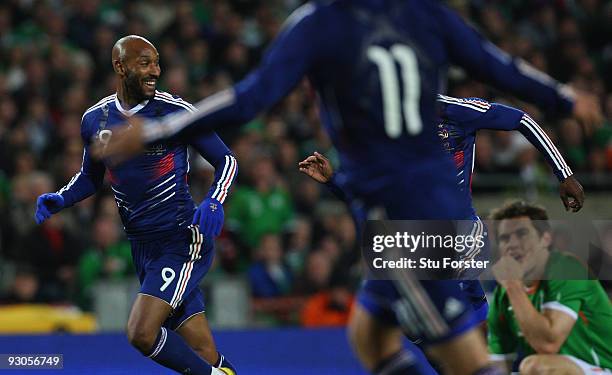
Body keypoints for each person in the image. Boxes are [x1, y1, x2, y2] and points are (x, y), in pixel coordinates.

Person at [95, 2, 602, 374]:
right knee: (370, 334)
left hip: (408, 226)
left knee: (459, 359)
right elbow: (498, 65)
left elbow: (249, 99)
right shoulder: (424, 13)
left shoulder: (321, 23)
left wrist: (159, 132)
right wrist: (562, 99)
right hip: (418, 210)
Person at [34, 35, 237, 375]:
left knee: (141, 333)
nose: (155, 70)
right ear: (120, 66)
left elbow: (226, 160)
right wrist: (62, 197)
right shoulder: (95, 120)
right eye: (145, 62)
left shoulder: (175, 112)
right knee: (203, 352)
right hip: (142, 246)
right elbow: (90, 176)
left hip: (181, 238)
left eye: (157, 62)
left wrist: (214, 200)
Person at [489, 201, 612, 375]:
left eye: (522, 234)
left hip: (605, 369)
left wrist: (513, 286)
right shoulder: (503, 295)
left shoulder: (567, 269)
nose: (512, 244)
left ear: (545, 238)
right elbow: (498, 367)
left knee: (535, 367)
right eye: (504, 238)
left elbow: (548, 344)